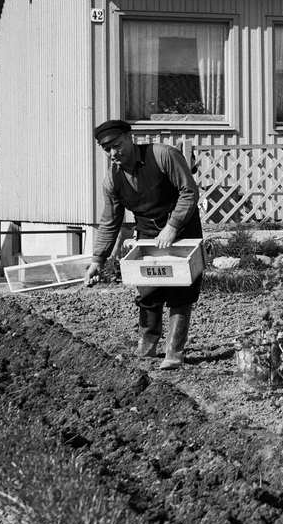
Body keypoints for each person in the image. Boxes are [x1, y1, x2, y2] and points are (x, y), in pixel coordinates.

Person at [83, 119, 202, 370]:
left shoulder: (162, 155)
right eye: (107, 149)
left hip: (182, 229)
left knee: (181, 289)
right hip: (147, 232)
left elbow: (189, 191)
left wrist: (173, 226)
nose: (113, 153)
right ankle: (148, 344)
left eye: (116, 145)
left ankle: (174, 351)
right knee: (148, 288)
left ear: (129, 136)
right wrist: (97, 260)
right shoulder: (112, 180)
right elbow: (109, 222)